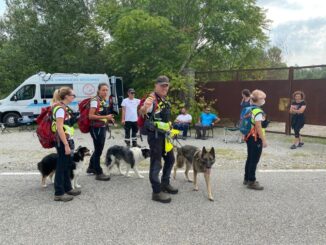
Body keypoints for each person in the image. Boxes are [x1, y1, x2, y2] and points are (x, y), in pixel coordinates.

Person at [139, 75, 178, 204]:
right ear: (156, 86)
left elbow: (164, 117)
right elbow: (142, 112)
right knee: (156, 163)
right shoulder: (151, 99)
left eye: (166, 85)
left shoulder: (164, 99)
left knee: (170, 159)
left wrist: (170, 124)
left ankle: (164, 184)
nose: (164, 88)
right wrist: (144, 108)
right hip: (155, 136)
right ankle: (156, 192)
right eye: (162, 85)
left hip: (165, 136)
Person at [52, 87, 80, 201]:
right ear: (66, 96)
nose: (74, 96)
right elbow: (59, 128)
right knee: (61, 166)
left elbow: (67, 125)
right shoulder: (60, 109)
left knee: (67, 164)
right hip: (62, 141)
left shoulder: (64, 107)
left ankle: (68, 188)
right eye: (73, 95)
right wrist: (66, 145)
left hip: (66, 140)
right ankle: (59, 193)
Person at [87, 83, 114, 181]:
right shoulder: (95, 100)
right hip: (96, 128)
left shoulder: (103, 100)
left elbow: (103, 114)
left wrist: (109, 119)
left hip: (101, 127)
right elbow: (90, 116)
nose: (105, 92)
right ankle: (98, 173)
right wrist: (105, 117)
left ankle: (91, 168)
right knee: (98, 150)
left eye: (107, 90)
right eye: (103, 90)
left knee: (98, 149)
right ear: (98, 90)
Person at [243, 89, 268, 190]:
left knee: (250, 158)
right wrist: (264, 140)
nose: (264, 100)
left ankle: (246, 178)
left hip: (249, 137)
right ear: (259, 100)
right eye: (263, 99)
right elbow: (258, 127)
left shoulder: (249, 108)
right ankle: (252, 181)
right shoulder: (258, 111)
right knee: (254, 160)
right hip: (256, 138)